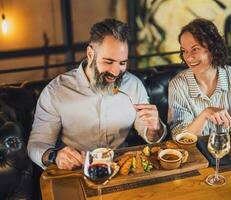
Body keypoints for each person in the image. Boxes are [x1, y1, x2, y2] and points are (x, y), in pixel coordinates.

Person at [28, 18, 166, 170]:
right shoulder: (56, 91)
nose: (115, 72)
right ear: (90, 54)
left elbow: (151, 135)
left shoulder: (134, 86)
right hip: (77, 170)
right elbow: (36, 144)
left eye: (122, 63)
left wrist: (155, 128)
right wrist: (55, 156)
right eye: (108, 61)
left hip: (120, 168)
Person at [168, 18, 231, 137]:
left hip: (228, 147)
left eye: (195, 49)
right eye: (184, 51)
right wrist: (205, 114)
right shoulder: (178, 85)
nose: (188, 57)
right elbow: (179, 135)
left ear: (213, 48)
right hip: (196, 153)